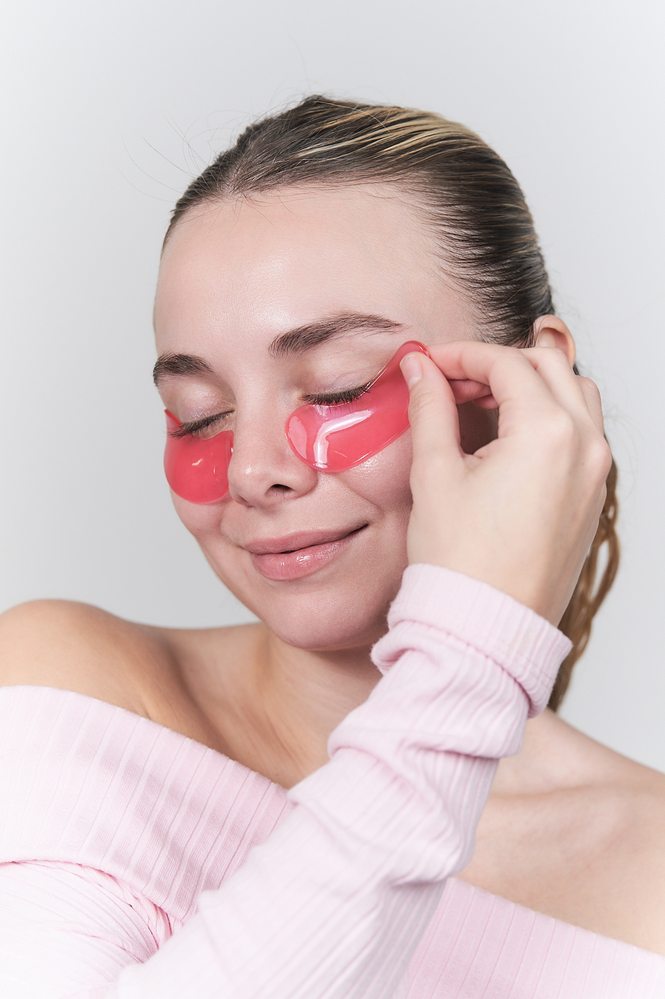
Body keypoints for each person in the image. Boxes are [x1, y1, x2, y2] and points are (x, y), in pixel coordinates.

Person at [0, 96, 661, 998]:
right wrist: (469, 662)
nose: (251, 470)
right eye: (199, 414)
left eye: (336, 388)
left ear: (530, 385)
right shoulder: (69, 697)